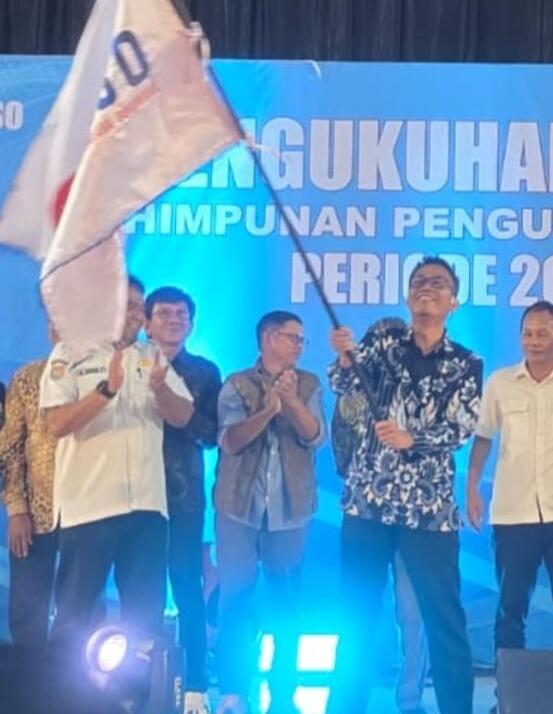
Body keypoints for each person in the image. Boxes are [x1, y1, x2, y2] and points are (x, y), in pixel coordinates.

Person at [327, 257, 482, 714]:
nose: (426, 288)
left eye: (438, 283)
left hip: (428, 510)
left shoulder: (466, 362)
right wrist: (344, 356)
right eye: (418, 282)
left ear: (454, 301)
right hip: (368, 502)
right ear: (408, 295)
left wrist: (413, 439)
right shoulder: (384, 344)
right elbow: (343, 383)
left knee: (443, 619)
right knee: (355, 615)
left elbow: (461, 426)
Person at [39, 309, 193, 653]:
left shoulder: (152, 355)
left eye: (140, 308)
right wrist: (106, 391)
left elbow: (183, 415)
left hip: (147, 507)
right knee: (75, 615)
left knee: (145, 621)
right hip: (89, 506)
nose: (135, 314)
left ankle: (137, 687)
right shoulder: (70, 352)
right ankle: (59, 686)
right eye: (128, 305)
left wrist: (160, 389)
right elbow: (57, 423)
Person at [466, 300, 553, 654]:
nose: (533, 341)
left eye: (542, 334)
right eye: (527, 333)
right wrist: (472, 487)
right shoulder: (500, 383)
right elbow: (483, 437)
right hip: (513, 513)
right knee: (510, 612)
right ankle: (509, 687)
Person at [214, 311, 326, 714]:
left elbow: (316, 436)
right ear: (268, 338)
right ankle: (233, 691)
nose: (299, 345)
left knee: (287, 601)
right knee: (235, 599)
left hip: (291, 509)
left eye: (302, 340)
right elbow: (229, 441)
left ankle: (284, 692)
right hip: (238, 508)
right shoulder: (236, 383)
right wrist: (267, 411)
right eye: (293, 337)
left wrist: (291, 402)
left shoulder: (309, 383)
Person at [331, 316, 430, 714]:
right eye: (378, 344)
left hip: (414, 514)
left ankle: (410, 699)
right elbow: (341, 438)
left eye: (394, 344)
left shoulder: (424, 384)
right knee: (357, 610)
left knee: (413, 613)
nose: (388, 350)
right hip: (364, 511)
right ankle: (348, 701)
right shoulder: (354, 383)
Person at [145, 285, 222, 714]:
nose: (173, 320)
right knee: (142, 589)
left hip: (183, 496)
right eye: (164, 313)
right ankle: (139, 681)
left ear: (191, 324)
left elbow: (211, 434)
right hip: (133, 497)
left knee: (187, 587)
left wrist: (173, 402)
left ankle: (195, 685)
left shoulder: (205, 373)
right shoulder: (128, 365)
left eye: (181, 314)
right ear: (147, 323)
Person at [0, 326, 59, 645]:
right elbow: (10, 449)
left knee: (83, 608)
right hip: (35, 513)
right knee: (26, 609)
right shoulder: (27, 378)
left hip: (89, 514)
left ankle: (75, 675)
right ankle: (27, 672)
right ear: (50, 330)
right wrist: (16, 509)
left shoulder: (104, 380)